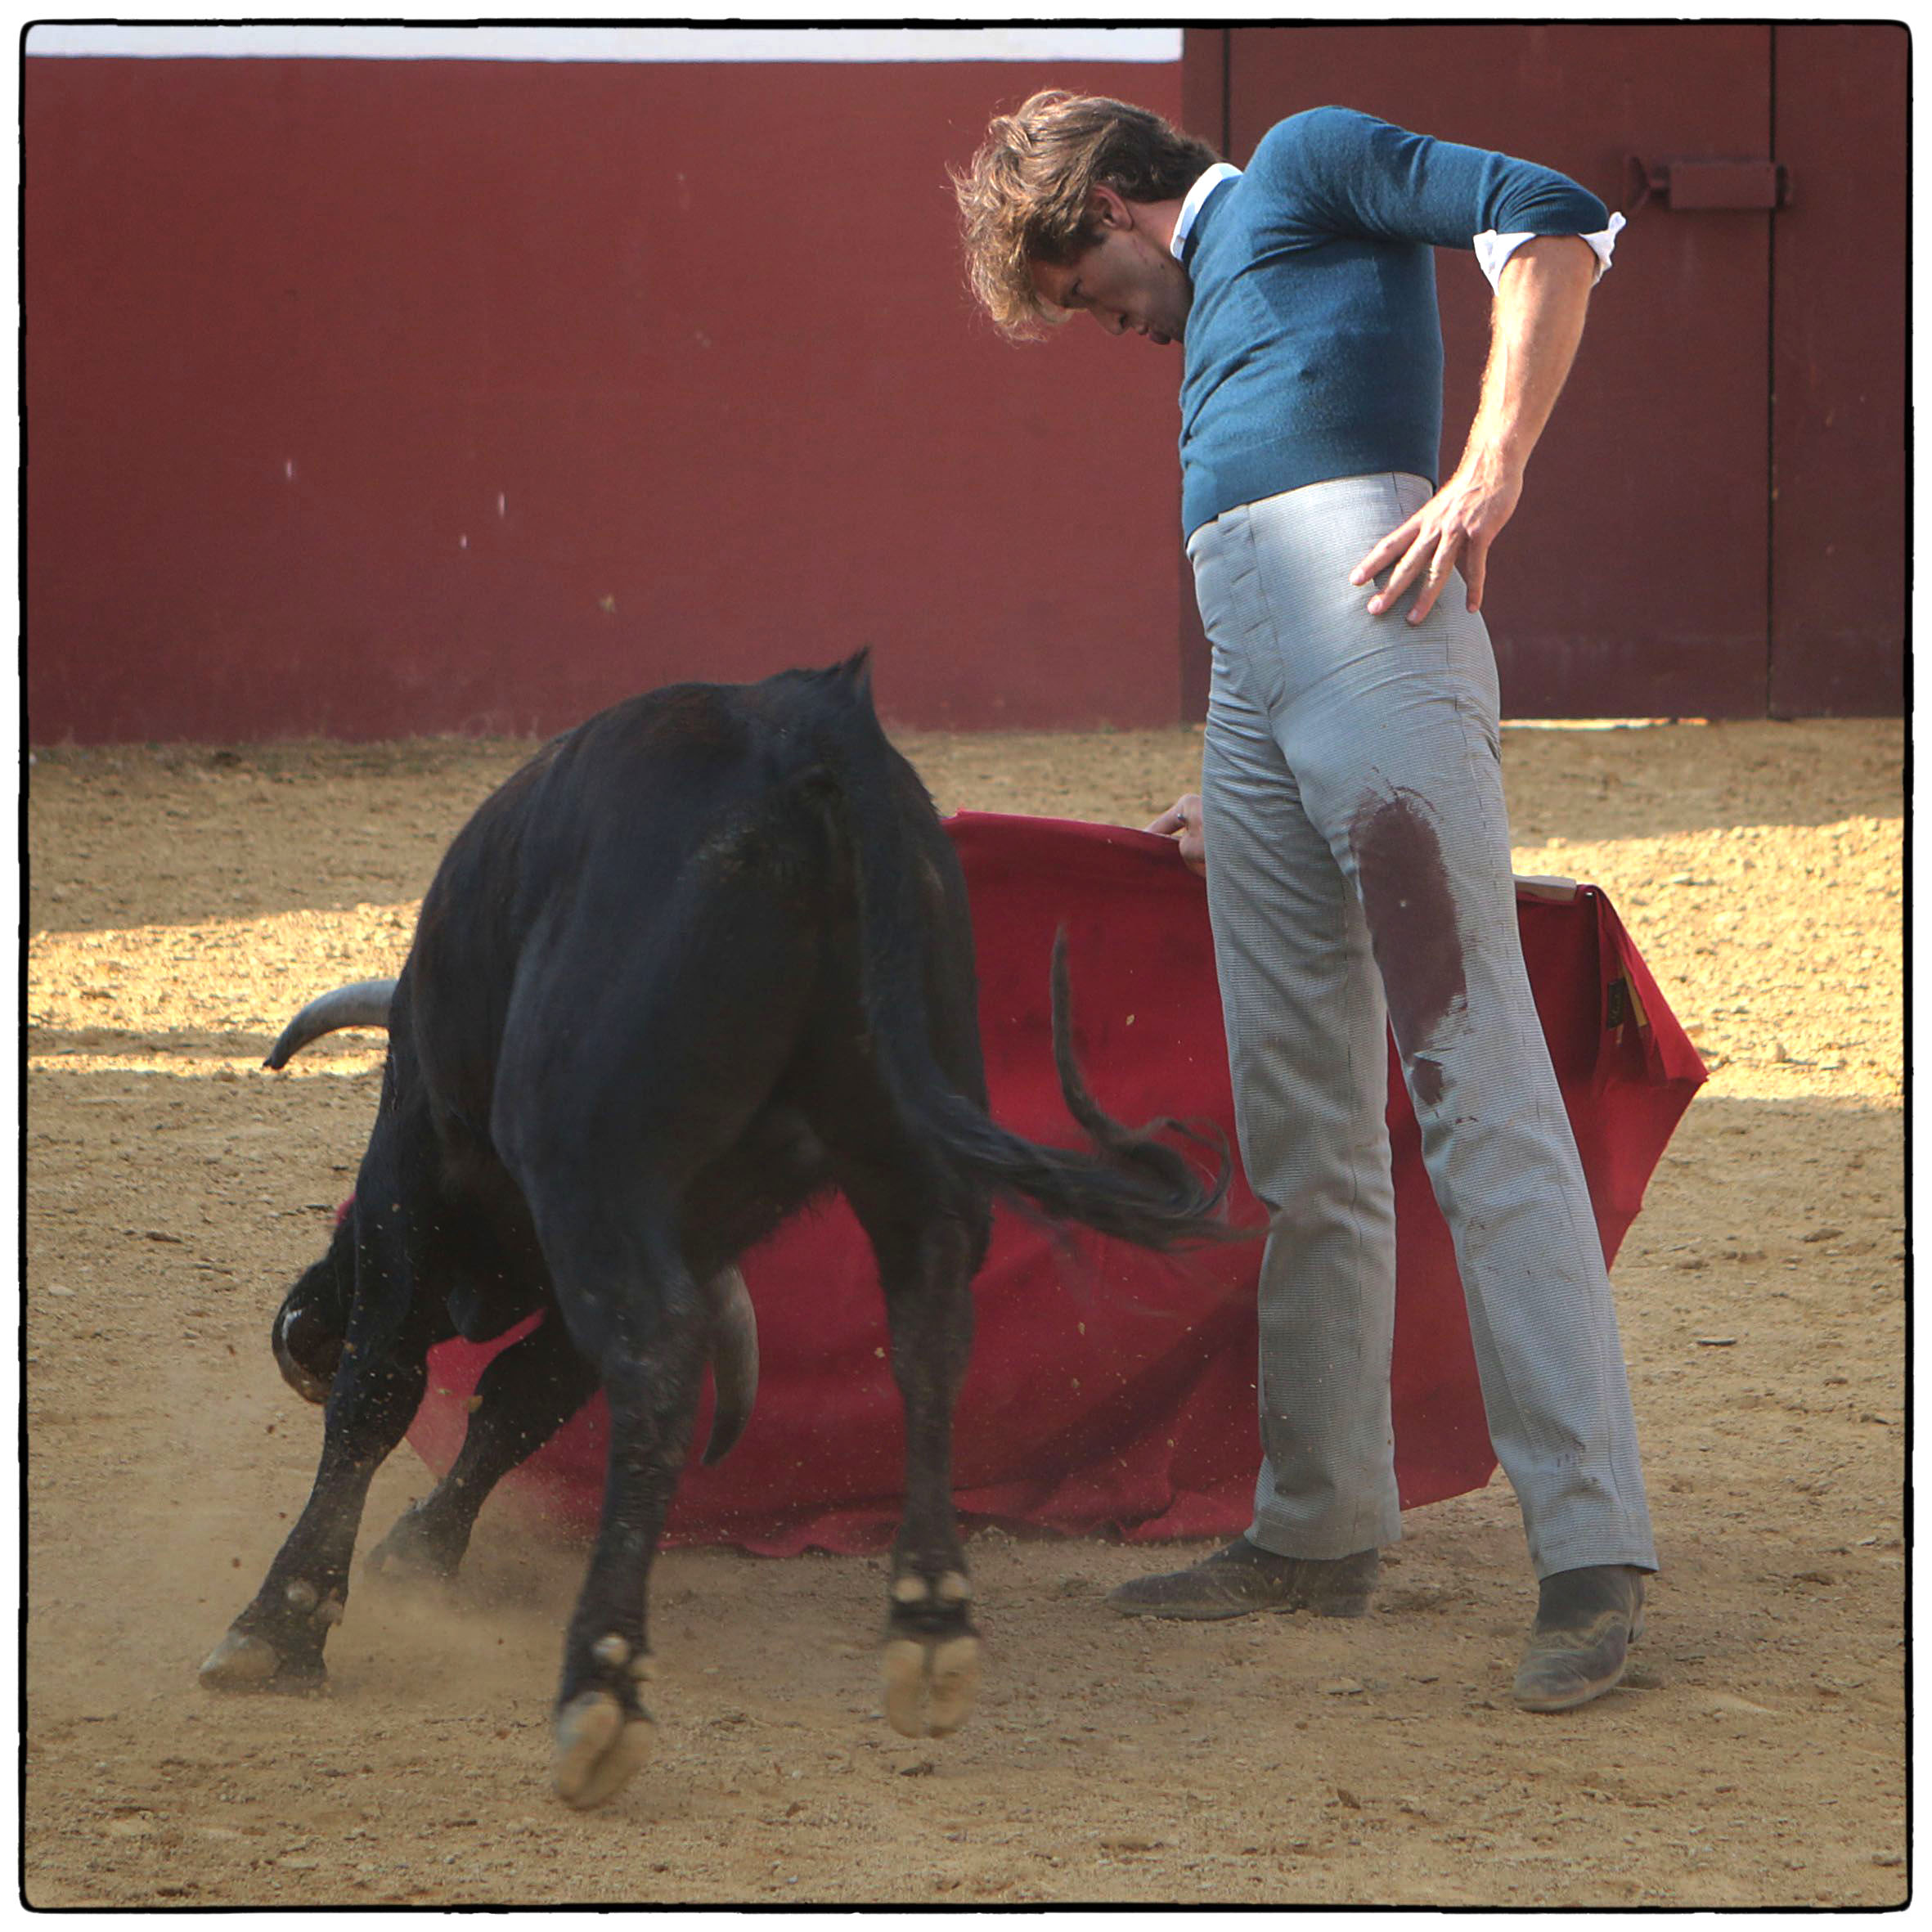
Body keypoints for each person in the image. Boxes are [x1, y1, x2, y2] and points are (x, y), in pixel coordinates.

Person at [952, 92, 1655, 1712]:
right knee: (1297, 1117)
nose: (1107, 326)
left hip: (1375, 634)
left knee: (1470, 1083)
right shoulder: (1232, 312)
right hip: (1267, 692)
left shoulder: (1306, 160)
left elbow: (1554, 220)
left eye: (1083, 291)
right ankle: (1319, 1520)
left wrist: (1485, 471)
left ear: (1118, 207)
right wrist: (1238, 757)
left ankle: (1589, 1548)